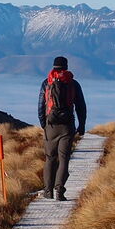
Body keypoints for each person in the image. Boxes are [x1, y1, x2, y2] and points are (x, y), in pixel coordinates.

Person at [37, 55, 86, 201]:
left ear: (53, 66)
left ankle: (48, 191)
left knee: (50, 158)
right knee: (64, 159)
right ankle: (59, 190)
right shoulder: (73, 83)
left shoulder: (46, 83)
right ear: (66, 66)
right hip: (67, 125)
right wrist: (81, 125)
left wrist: (44, 124)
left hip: (51, 125)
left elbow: (41, 106)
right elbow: (81, 106)